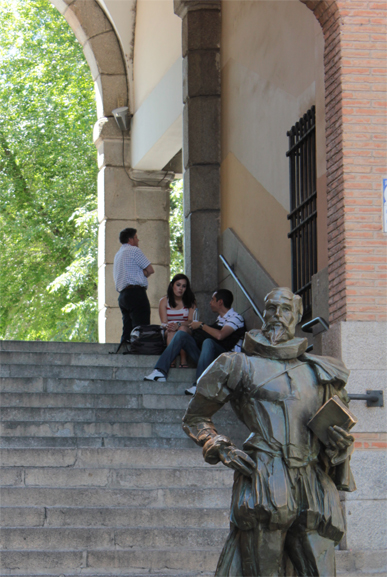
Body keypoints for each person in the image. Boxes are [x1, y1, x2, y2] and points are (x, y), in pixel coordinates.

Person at [182, 287, 356, 577]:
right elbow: (195, 417)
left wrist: (340, 446)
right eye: (271, 308)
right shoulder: (237, 365)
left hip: (313, 482)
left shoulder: (321, 372)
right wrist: (218, 444)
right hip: (265, 476)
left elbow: (336, 434)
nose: (277, 316)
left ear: (299, 316)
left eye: (285, 309)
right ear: (263, 313)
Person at [144, 289, 245, 395]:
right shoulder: (219, 319)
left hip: (226, 362)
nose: (210, 302)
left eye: (212, 299)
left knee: (208, 342)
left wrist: (201, 325)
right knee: (181, 335)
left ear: (220, 302)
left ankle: (199, 385)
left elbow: (220, 335)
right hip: (209, 359)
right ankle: (160, 371)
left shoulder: (236, 318)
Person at [113, 227, 154, 346]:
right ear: (130, 239)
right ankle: (140, 353)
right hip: (136, 293)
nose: (138, 240)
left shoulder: (118, 255)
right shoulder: (134, 251)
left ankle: (125, 349)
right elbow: (150, 270)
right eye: (136, 237)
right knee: (141, 328)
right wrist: (142, 274)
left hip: (123, 295)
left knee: (127, 328)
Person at [159, 274, 196, 368]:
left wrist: (178, 324)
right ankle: (172, 360)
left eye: (184, 286)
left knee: (182, 330)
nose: (181, 288)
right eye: (178, 285)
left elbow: (191, 321)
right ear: (172, 286)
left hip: (186, 330)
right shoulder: (164, 301)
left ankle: (183, 360)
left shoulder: (191, 302)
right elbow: (164, 322)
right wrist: (170, 326)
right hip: (169, 330)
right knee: (172, 331)